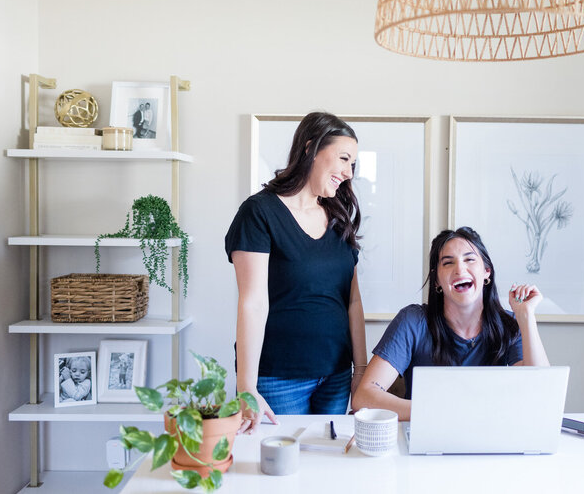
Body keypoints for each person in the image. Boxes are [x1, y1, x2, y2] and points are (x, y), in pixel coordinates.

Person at [225, 111, 367, 434]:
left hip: (336, 375)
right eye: (344, 159)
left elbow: (353, 302)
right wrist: (246, 386)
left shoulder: (339, 216)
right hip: (278, 378)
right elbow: (253, 302)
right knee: (283, 477)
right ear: (311, 148)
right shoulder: (259, 213)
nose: (348, 172)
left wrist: (361, 369)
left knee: (326, 470)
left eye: (352, 164)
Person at [351, 226, 550, 420]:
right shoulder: (413, 321)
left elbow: (540, 391)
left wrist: (526, 316)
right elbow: (364, 397)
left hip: (489, 435)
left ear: (486, 271)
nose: (460, 269)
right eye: (448, 263)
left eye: (470, 259)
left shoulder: (509, 323)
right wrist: (437, 412)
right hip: (428, 434)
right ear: (436, 280)